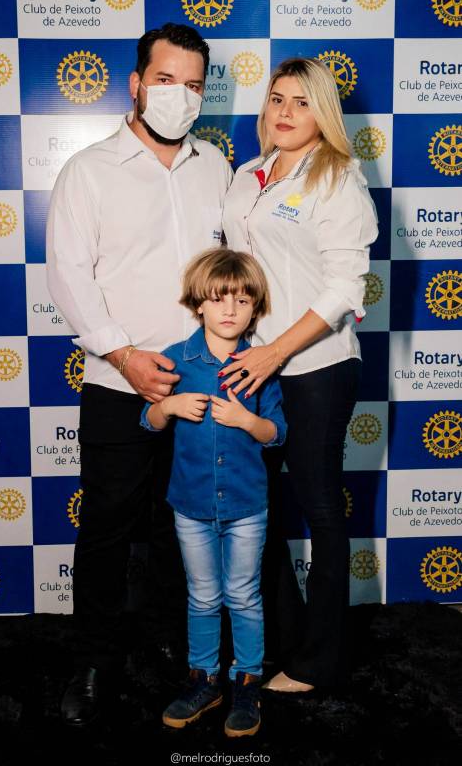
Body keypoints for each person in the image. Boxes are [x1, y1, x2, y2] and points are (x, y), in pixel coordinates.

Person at [46, 23, 233, 726]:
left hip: (199, 387)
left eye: (194, 85)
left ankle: (169, 644)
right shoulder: (89, 170)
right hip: (118, 385)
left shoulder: (215, 168)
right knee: (106, 528)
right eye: (165, 80)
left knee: (179, 526)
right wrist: (124, 356)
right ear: (135, 84)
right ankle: (94, 661)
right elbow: (69, 276)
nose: (180, 95)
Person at [221, 57, 378, 692]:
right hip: (250, 364)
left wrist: (274, 353)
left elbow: (345, 288)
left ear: (323, 113)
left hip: (316, 366)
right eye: (277, 98)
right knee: (250, 507)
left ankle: (319, 661)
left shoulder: (337, 176)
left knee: (320, 507)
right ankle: (277, 641)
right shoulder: (246, 175)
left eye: (302, 102)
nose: (285, 112)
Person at [141, 248, 286, 737]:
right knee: (202, 597)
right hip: (191, 505)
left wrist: (246, 420)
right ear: (198, 303)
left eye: (242, 301)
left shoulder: (260, 364)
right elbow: (148, 420)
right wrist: (170, 406)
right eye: (219, 299)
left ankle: (247, 681)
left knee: (243, 595)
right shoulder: (177, 360)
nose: (230, 310)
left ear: (255, 307)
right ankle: (203, 681)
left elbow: (277, 433)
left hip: (247, 505)